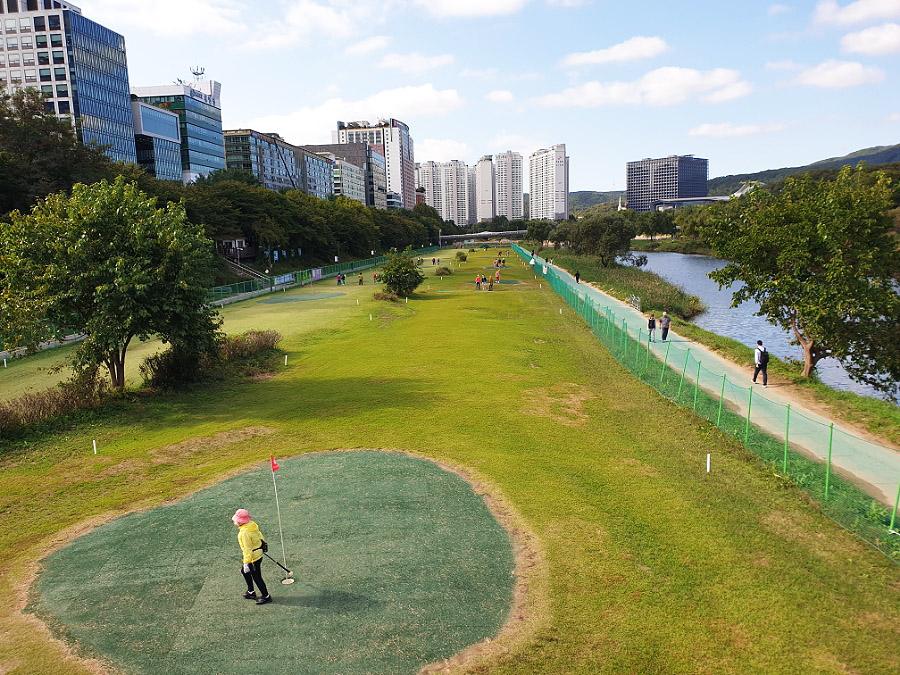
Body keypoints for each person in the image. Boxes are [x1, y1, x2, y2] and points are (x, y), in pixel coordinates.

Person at [232, 509, 271, 605]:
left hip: (253, 558)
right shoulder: (251, 525)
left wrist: (246, 563)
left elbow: (247, 549)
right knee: (244, 572)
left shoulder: (244, 533)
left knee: (256, 576)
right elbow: (260, 535)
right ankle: (251, 592)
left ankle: (266, 596)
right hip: (258, 553)